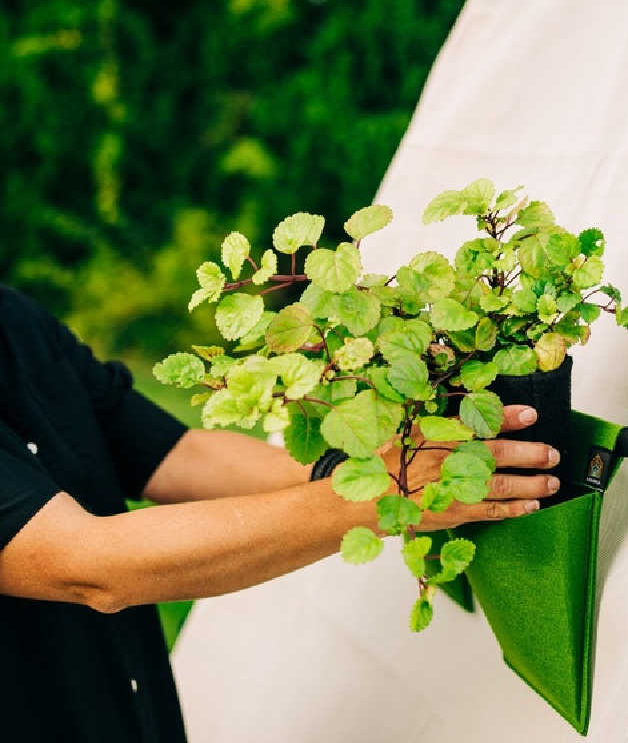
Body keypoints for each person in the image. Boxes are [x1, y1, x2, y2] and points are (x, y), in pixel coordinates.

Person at [0, 284, 561, 742]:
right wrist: (386, 495)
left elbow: (174, 456)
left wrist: (376, 459)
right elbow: (86, 563)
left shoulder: (15, 320)